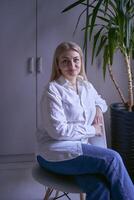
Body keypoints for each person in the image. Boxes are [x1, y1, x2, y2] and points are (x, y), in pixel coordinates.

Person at [36, 41, 134, 200]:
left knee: (99, 185)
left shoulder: (85, 85)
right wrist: (92, 130)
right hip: (54, 152)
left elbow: (101, 102)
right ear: (58, 65)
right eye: (65, 61)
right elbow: (58, 131)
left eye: (76, 60)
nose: (72, 65)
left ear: (81, 62)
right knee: (113, 159)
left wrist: (97, 107)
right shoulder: (52, 91)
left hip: (79, 148)